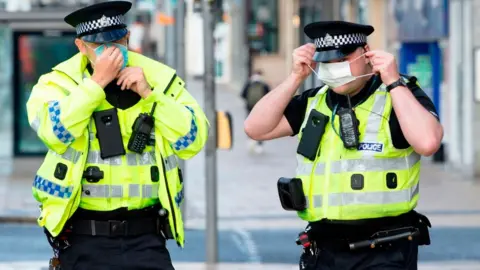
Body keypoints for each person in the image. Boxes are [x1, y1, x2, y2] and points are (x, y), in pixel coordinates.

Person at [244, 21, 443, 270]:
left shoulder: (398, 94)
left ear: (366, 53)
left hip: (385, 250)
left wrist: (393, 81)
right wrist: (295, 77)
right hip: (323, 250)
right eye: (327, 62)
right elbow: (255, 128)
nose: (335, 69)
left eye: (342, 59)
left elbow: (428, 142)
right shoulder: (314, 101)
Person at [26, 1, 209, 269]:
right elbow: (55, 133)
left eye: (116, 42)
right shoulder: (58, 83)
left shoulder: (160, 78)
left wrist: (150, 95)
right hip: (83, 236)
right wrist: (96, 84)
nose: (110, 52)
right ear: (81, 46)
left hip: (146, 236)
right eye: (99, 46)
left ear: (127, 38)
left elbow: (193, 141)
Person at [241, 70, 270, 154]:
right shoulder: (264, 85)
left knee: (250, 125)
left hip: (250, 109)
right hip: (261, 109)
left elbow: (242, 94)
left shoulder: (248, 84)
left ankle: (250, 141)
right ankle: (259, 144)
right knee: (261, 126)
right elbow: (270, 96)